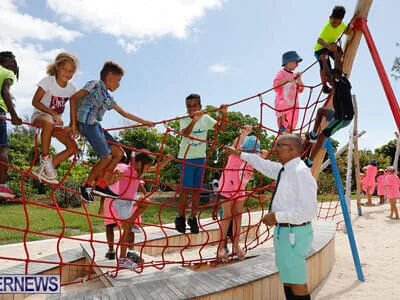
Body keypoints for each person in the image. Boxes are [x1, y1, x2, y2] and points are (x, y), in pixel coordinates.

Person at [225, 134, 317, 300]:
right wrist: (239, 154)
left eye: (279, 146)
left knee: (297, 283)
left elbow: (308, 211)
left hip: (294, 235)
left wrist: (276, 217)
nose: (274, 150)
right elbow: (263, 164)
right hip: (285, 233)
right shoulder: (285, 170)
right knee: (288, 279)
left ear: (291, 149)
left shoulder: (300, 172)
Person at [70, 61, 154, 203]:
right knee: (106, 158)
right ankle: (87, 185)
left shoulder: (107, 97)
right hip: (86, 123)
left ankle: (101, 185)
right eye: (118, 80)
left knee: (119, 153)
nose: (119, 84)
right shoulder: (94, 84)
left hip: (95, 125)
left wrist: (145, 122)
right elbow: (74, 98)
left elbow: (124, 113)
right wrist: (73, 124)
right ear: (109, 76)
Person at [100, 151, 173, 267]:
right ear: (139, 163)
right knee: (127, 232)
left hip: (130, 200)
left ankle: (131, 220)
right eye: (147, 166)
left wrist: (167, 160)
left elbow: (156, 168)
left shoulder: (138, 171)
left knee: (146, 201)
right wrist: (116, 175)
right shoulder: (125, 169)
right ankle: (122, 259)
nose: (147, 169)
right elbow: (110, 179)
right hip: (121, 203)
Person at [175, 93, 228, 234]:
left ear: (200, 106)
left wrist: (224, 114)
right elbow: (185, 134)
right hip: (186, 158)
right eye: (189, 106)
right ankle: (181, 216)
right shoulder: (184, 119)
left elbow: (222, 128)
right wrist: (194, 120)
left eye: (194, 106)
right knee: (185, 189)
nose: (191, 109)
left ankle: (193, 218)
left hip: (200, 158)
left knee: (197, 190)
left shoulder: (206, 118)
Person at [31, 52, 79, 184]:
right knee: (49, 122)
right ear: (57, 67)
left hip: (55, 123)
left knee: (73, 148)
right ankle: (45, 158)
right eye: (64, 69)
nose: (67, 73)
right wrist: (53, 113)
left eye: (71, 71)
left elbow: (74, 109)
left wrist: (73, 126)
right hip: (41, 117)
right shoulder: (48, 81)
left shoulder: (71, 89)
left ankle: (44, 169)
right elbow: (35, 102)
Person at [216, 125, 260, 262]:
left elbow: (264, 153)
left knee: (238, 217)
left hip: (240, 190)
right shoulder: (235, 155)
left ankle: (236, 247)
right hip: (227, 189)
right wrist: (244, 133)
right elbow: (235, 145)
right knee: (227, 217)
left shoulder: (253, 161)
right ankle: (221, 248)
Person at [303, 66, 354, 168]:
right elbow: (337, 66)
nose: (329, 82)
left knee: (323, 135)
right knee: (320, 111)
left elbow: (332, 75)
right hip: (336, 114)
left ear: (336, 78)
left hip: (343, 119)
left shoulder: (342, 85)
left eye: (330, 80)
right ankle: (313, 135)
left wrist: (324, 60)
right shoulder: (339, 83)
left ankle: (310, 161)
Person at [314, 5, 352, 94]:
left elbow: (347, 32)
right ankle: (325, 86)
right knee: (325, 66)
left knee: (339, 55)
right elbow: (319, 40)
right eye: (334, 22)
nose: (336, 25)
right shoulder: (327, 27)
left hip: (330, 46)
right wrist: (328, 46)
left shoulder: (341, 25)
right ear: (330, 18)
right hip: (320, 49)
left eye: (338, 23)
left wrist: (350, 26)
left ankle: (337, 73)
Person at [0, 51, 22, 198]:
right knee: (2, 149)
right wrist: (13, 115)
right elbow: (5, 92)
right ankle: (2, 185)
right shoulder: (6, 72)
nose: (15, 68)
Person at [273, 51, 304, 133]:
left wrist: (299, 79)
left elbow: (301, 90)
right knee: (283, 106)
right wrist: (286, 80)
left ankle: (288, 131)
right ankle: (282, 127)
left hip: (294, 104)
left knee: (293, 119)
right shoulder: (281, 73)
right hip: (283, 100)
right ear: (288, 62)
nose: (297, 64)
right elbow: (275, 86)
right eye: (296, 62)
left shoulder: (295, 76)